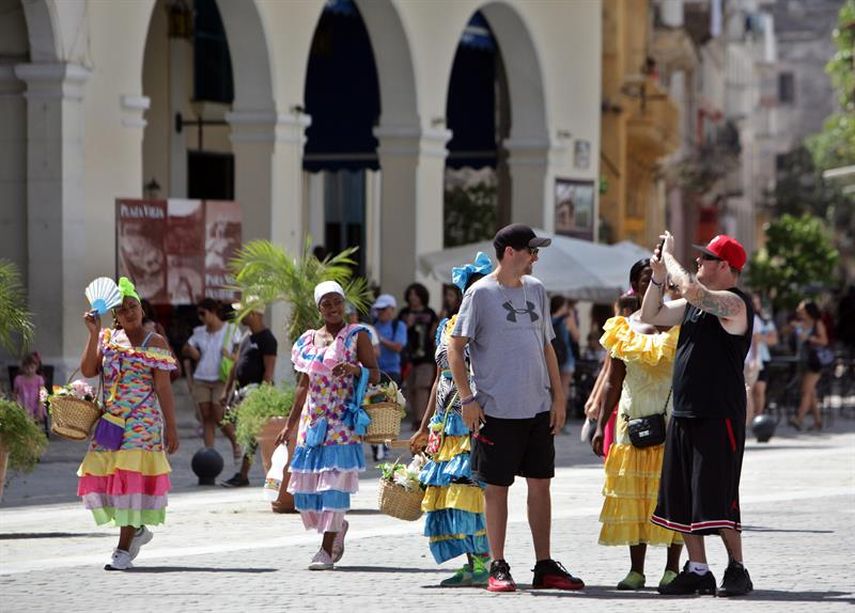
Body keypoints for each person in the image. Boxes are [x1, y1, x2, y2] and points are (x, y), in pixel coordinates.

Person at [449, 223, 584, 593]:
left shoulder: (538, 290)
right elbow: (454, 348)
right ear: (511, 252)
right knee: (497, 489)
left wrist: (558, 399)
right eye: (532, 251)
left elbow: (547, 347)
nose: (536, 258)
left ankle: (544, 565)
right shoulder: (479, 293)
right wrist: (467, 399)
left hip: (538, 407)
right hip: (495, 410)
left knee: (541, 485)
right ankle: (498, 565)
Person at [640, 232, 754, 597]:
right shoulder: (693, 305)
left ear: (725, 266)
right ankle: (699, 568)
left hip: (719, 413)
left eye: (705, 259)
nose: (698, 263)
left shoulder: (735, 303)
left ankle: (737, 567)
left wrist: (670, 258)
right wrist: (658, 275)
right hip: (685, 411)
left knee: (717, 494)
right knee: (684, 495)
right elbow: (650, 314)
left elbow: (691, 289)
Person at [275, 281, 379, 570]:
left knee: (334, 487)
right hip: (314, 425)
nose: (333, 308)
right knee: (306, 495)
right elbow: (302, 385)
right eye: (326, 304)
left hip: (342, 424)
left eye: (337, 302)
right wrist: (290, 425)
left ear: (344, 303)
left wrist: (355, 369)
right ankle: (338, 527)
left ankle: (324, 550)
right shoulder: (307, 340)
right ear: (319, 308)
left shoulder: (358, 336)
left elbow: (376, 375)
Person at [592, 259, 683, 591]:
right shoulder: (621, 327)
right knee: (634, 496)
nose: (653, 284)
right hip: (632, 422)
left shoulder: (682, 322)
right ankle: (636, 570)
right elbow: (612, 382)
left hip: (674, 423)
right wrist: (601, 424)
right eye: (647, 279)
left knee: (673, 494)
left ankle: (673, 568)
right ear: (636, 285)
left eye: (659, 279)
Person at [77, 277, 179, 571]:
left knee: (129, 483)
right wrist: (93, 333)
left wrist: (171, 427)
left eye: (133, 306)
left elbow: (163, 388)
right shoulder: (108, 339)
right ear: (115, 316)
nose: (129, 312)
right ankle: (135, 530)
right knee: (106, 479)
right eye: (122, 309)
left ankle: (122, 549)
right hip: (111, 423)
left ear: (142, 309)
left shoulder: (154, 342)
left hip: (142, 424)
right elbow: (88, 370)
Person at [409, 252, 493, 587]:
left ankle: (485, 559)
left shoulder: (491, 326)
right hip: (446, 421)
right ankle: (469, 561)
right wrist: (423, 424)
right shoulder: (446, 326)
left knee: (470, 491)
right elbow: (439, 377)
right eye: (469, 290)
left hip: (474, 418)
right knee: (447, 492)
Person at [219, 297, 278, 487]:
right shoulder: (246, 336)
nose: (238, 315)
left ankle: (244, 474)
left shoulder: (267, 339)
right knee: (241, 430)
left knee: (252, 435)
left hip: (255, 393)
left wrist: (262, 398)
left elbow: (269, 372)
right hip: (241, 392)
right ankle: (244, 472)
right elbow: (235, 365)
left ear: (253, 313)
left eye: (242, 311)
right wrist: (226, 391)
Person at [182, 298, 242, 456]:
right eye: (199, 315)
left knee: (219, 413)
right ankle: (209, 452)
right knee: (206, 416)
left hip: (221, 379)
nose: (201, 318)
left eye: (203, 313)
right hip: (201, 378)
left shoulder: (231, 330)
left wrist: (229, 355)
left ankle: (235, 442)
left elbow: (240, 355)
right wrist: (191, 352)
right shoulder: (199, 332)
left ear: (213, 312)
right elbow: (185, 349)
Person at [399, 283, 439, 431]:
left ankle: (422, 419)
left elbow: (434, 333)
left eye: (416, 295)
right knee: (410, 389)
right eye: (410, 295)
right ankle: (416, 418)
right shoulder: (404, 313)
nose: (413, 298)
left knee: (422, 387)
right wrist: (407, 326)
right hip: (408, 356)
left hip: (426, 356)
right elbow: (399, 333)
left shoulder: (430, 313)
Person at [789, 300, 829, 431]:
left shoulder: (817, 323)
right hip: (803, 361)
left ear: (808, 311)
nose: (799, 312)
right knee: (811, 393)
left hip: (815, 362)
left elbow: (824, 341)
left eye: (802, 310)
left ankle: (799, 419)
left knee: (806, 391)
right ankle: (818, 421)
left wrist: (810, 338)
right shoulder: (800, 324)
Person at [749, 294, 777, 419]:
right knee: (749, 390)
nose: (756, 305)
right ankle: (750, 417)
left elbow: (774, 339)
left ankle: (758, 417)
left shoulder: (764, 320)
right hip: (747, 359)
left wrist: (761, 338)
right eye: (754, 302)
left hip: (763, 358)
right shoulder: (748, 318)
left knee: (759, 390)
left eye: (758, 302)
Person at [13, 353, 46, 425]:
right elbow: (15, 394)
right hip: (23, 406)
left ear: (36, 367)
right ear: (23, 367)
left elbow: (42, 395)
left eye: (32, 367)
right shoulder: (19, 379)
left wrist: (40, 409)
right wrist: (17, 405)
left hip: (36, 406)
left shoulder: (39, 379)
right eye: (27, 368)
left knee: (36, 424)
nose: (29, 370)